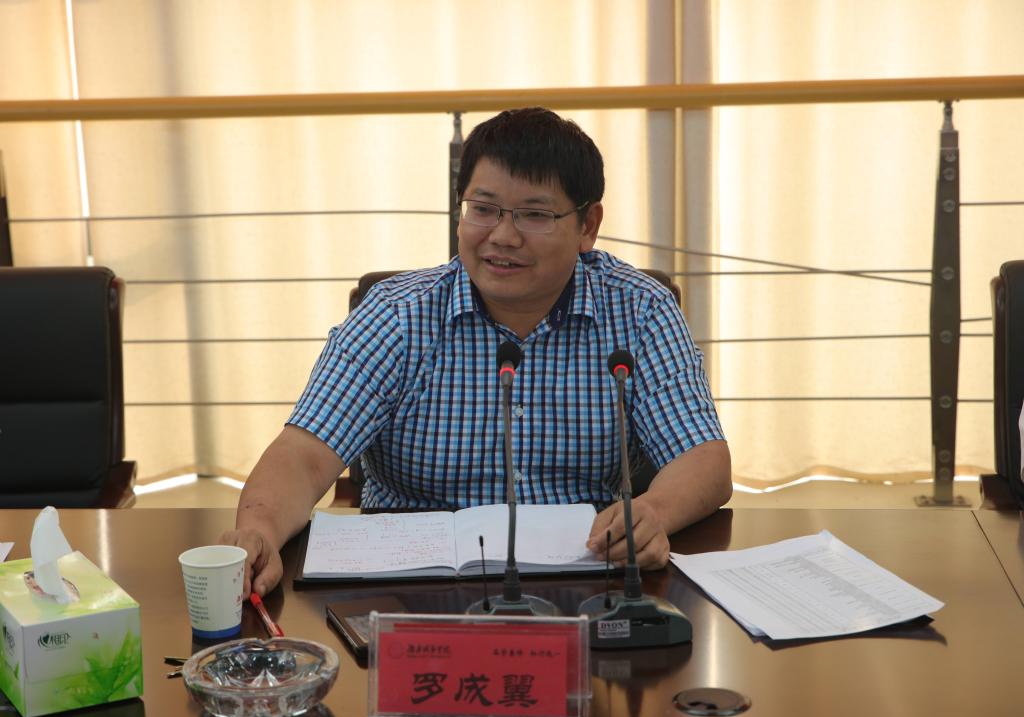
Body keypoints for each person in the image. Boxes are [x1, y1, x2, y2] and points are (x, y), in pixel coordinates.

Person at [221, 107, 731, 596]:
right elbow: (304, 456)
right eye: (483, 209)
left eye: (534, 215)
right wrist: (260, 531)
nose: (502, 237)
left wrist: (653, 513)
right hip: (408, 590)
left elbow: (703, 458)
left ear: (587, 226)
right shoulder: (397, 315)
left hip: (588, 583)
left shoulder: (639, 310)